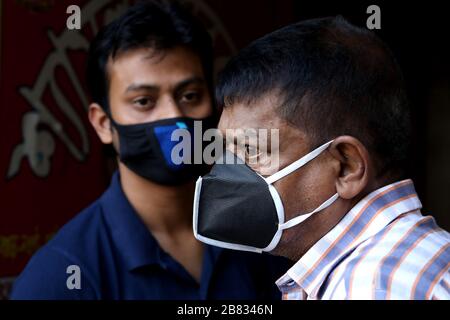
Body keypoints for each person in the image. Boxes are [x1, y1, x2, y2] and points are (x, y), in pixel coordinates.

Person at [11, 0, 289, 300]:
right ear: (103, 124)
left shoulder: (264, 237)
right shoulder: (62, 274)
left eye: (190, 95)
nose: (172, 116)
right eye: (144, 101)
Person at [193, 16, 450, 300]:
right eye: (228, 150)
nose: (229, 170)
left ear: (345, 167)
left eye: (251, 150)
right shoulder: (405, 261)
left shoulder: (372, 286)